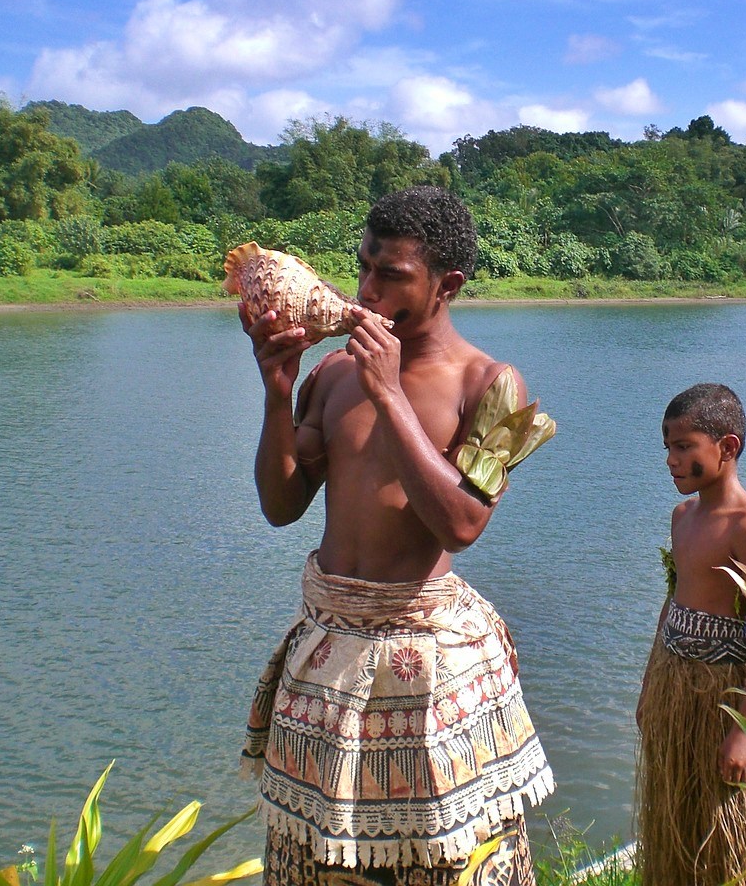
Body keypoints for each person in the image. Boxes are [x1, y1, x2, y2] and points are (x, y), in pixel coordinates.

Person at [238, 186, 555, 886]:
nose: (366, 290)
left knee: (444, 863)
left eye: (392, 276)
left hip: (428, 661)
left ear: (448, 285)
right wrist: (276, 393)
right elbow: (281, 503)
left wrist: (390, 395)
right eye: (362, 268)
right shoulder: (334, 373)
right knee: (317, 861)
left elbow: (463, 523)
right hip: (331, 652)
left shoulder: (491, 384)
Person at [636, 383, 746, 886]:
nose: (671, 459)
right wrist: (649, 686)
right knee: (678, 817)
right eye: (667, 445)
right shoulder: (682, 516)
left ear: (727, 448)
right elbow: (674, 597)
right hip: (675, 685)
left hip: (726, 696)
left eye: (684, 446)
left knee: (726, 829)